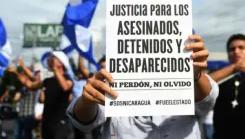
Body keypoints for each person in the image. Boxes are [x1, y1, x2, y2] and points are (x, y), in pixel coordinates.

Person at [67, 34, 219, 139]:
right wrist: (87, 101)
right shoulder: (113, 81)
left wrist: (196, 75)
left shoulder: (187, 77)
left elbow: (206, 101)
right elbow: (84, 122)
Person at [11, 51, 73, 139]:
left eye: (52, 59)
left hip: (60, 123)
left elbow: (65, 87)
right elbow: (31, 85)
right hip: (46, 122)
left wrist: (55, 69)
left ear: (60, 63)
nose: (49, 61)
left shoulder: (68, 79)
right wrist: (16, 73)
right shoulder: (47, 80)